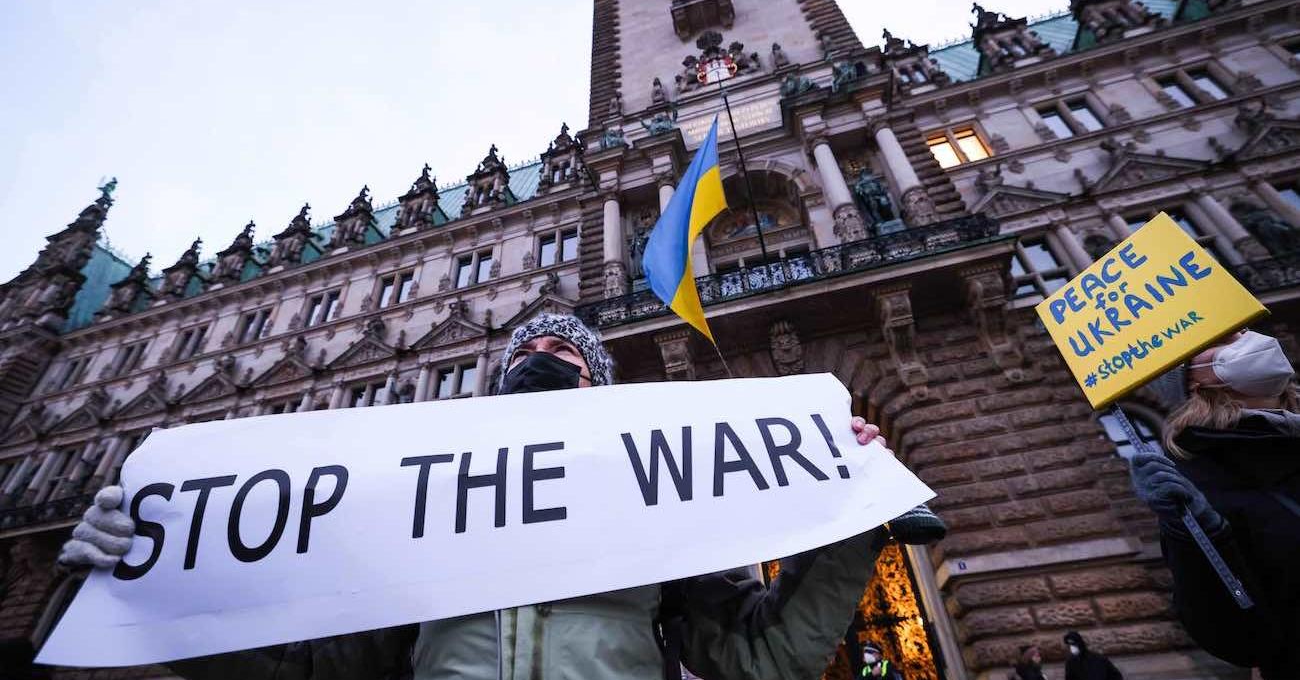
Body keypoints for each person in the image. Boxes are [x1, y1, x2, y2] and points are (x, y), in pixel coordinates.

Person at [58, 313, 946, 680]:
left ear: (601, 391)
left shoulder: (661, 498)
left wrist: (850, 520)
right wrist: (141, 580)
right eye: (526, 354)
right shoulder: (418, 500)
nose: (541, 361)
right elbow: (309, 666)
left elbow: (761, 654)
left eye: (566, 356)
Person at [1129, 329, 1299, 678]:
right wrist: (1197, 535)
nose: (1242, 334)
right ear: (1195, 382)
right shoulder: (1201, 481)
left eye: (1240, 328)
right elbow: (1239, 636)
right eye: (1219, 341)